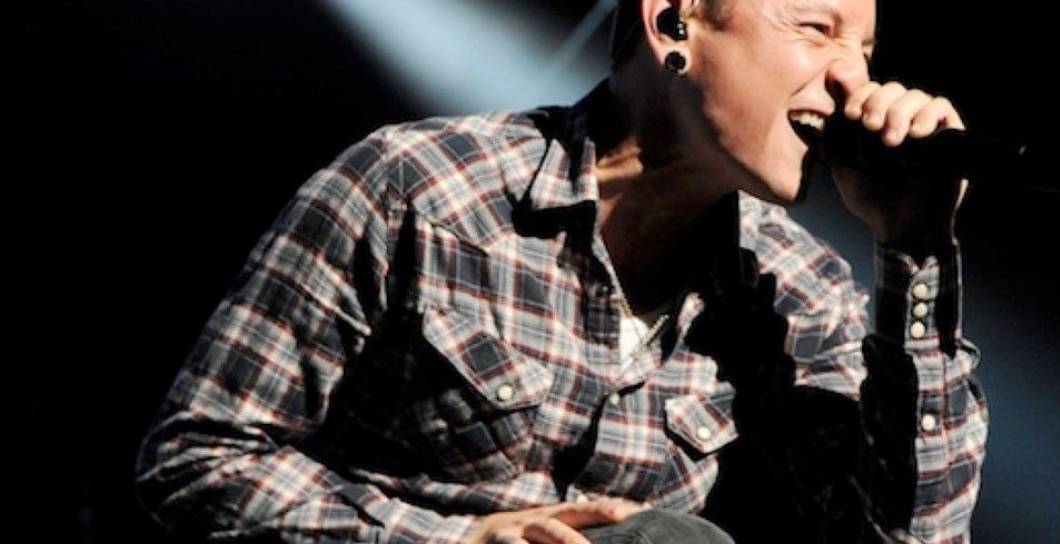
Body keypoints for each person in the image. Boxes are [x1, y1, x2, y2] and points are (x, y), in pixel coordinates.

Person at [135, 0, 989, 542]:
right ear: (675, 22)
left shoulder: (796, 287)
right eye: (815, 29)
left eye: (866, 49)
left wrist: (913, 247)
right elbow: (197, 458)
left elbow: (911, 537)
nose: (853, 80)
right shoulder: (418, 187)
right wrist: (456, 543)